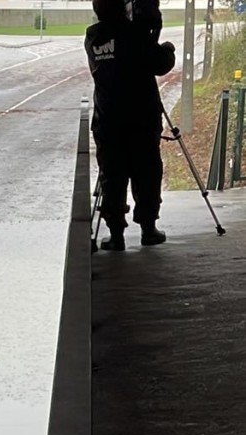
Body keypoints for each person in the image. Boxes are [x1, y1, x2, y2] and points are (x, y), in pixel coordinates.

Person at [85, 0, 176, 251]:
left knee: (112, 176)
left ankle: (116, 235)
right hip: (141, 119)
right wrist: (165, 46)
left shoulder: (92, 38)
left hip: (107, 120)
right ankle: (148, 229)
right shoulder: (135, 34)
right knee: (146, 173)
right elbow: (160, 64)